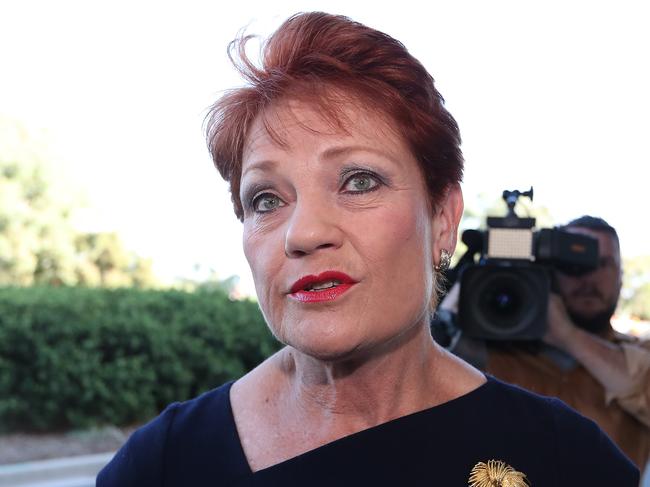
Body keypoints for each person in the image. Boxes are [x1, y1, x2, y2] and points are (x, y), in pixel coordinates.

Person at [97, 13, 638, 486]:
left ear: (444, 219)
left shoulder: (568, 461)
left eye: (358, 181)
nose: (303, 234)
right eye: (265, 199)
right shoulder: (161, 465)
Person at [482, 216, 650, 468]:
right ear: (549, 271)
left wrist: (567, 336)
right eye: (573, 264)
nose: (588, 277)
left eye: (602, 263)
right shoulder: (492, 349)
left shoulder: (640, 352)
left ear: (621, 276)